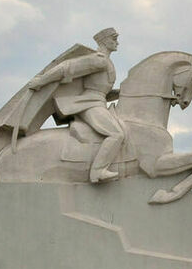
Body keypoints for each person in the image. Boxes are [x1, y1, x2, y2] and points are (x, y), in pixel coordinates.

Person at [27, 27, 123, 182]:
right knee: (116, 134)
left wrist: (120, 93)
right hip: (89, 105)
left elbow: (102, 92)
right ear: (105, 41)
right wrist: (41, 81)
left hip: (98, 102)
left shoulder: (107, 62)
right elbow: (67, 67)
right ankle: (98, 171)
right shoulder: (99, 60)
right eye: (114, 39)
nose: (117, 43)